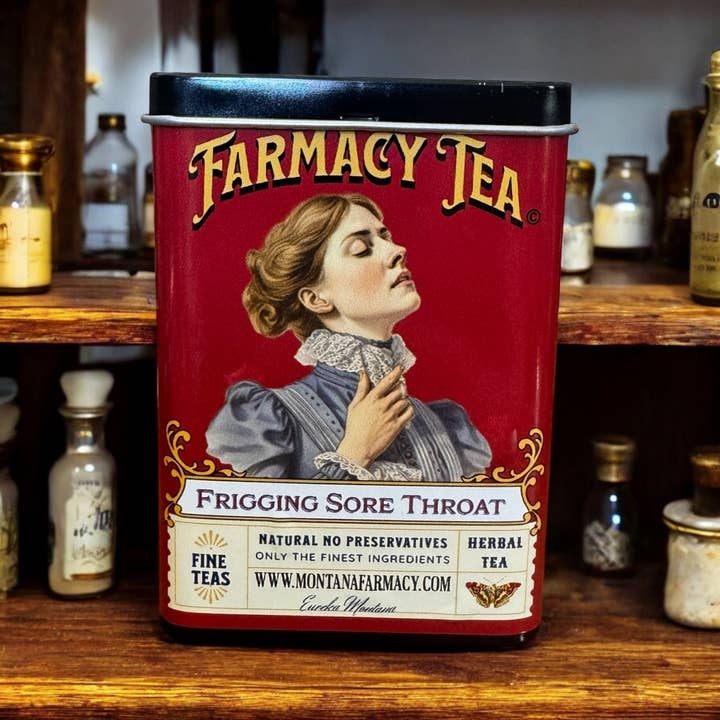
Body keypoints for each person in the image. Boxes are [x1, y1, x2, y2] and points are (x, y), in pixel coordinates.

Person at [206, 192, 491, 482]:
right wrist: (355, 453)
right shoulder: (261, 420)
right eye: (361, 249)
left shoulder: (449, 427)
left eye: (386, 236)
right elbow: (246, 512)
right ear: (316, 299)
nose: (398, 250)